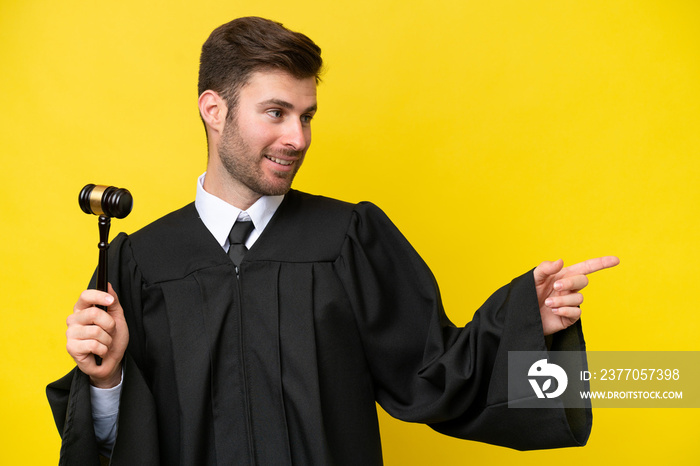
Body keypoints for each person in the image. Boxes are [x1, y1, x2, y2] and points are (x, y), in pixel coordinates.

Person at [47, 16, 619, 465]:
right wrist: (105, 379)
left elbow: (440, 373)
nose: (297, 138)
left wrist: (523, 324)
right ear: (213, 109)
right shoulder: (142, 262)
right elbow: (118, 444)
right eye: (275, 112)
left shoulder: (350, 241)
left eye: (307, 115)